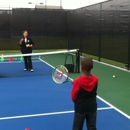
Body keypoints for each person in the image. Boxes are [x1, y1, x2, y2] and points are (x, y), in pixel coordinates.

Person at [71, 57, 98, 130]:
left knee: (77, 128)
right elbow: (89, 85)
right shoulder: (96, 79)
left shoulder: (78, 81)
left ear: (81, 67)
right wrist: (76, 83)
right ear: (92, 67)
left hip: (80, 108)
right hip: (92, 107)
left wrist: (76, 83)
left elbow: (73, 97)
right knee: (92, 128)